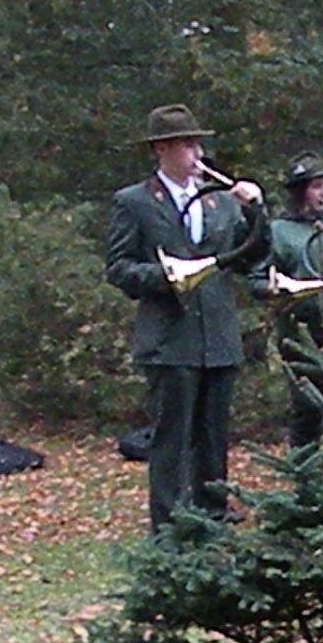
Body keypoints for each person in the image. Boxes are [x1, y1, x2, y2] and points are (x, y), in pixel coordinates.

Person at [105, 103, 269, 531]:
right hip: (170, 338)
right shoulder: (135, 202)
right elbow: (119, 268)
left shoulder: (220, 202)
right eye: (186, 146)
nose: (197, 154)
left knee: (213, 436)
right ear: (161, 149)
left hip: (217, 335)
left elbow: (252, 253)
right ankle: (169, 525)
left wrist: (256, 210)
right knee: (172, 437)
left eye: (198, 145)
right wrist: (166, 276)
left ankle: (212, 516)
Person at [263, 151, 323, 447]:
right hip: (301, 335)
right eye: (316, 187)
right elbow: (259, 278)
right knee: (306, 412)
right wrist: (276, 290)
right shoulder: (278, 231)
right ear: (299, 191)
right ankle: (303, 468)